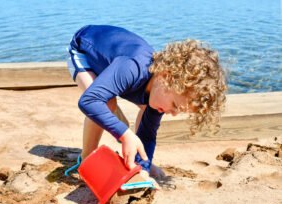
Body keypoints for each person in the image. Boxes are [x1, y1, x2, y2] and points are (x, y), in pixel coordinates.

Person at [66, 25, 227, 182]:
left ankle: (134, 152)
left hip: (115, 65)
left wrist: (143, 168)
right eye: (175, 105)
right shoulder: (132, 68)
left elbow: (148, 135)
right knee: (107, 103)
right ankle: (86, 158)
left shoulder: (162, 91)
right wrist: (125, 133)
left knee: (145, 112)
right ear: (166, 76)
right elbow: (88, 101)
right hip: (85, 50)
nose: (173, 113)